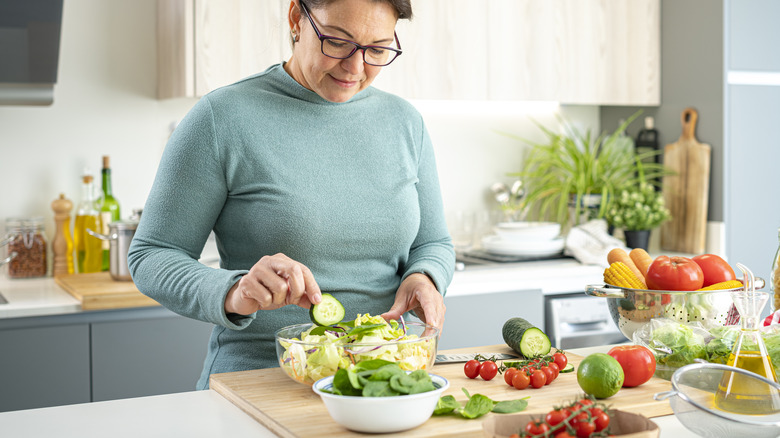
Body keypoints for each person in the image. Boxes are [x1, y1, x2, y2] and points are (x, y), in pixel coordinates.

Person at [127, 0, 455, 390]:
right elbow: (151, 255)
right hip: (262, 381)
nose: (355, 67)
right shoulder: (222, 117)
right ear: (297, 19)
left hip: (384, 383)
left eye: (377, 49)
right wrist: (234, 290)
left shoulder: (404, 122)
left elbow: (433, 242)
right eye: (337, 42)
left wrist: (425, 276)